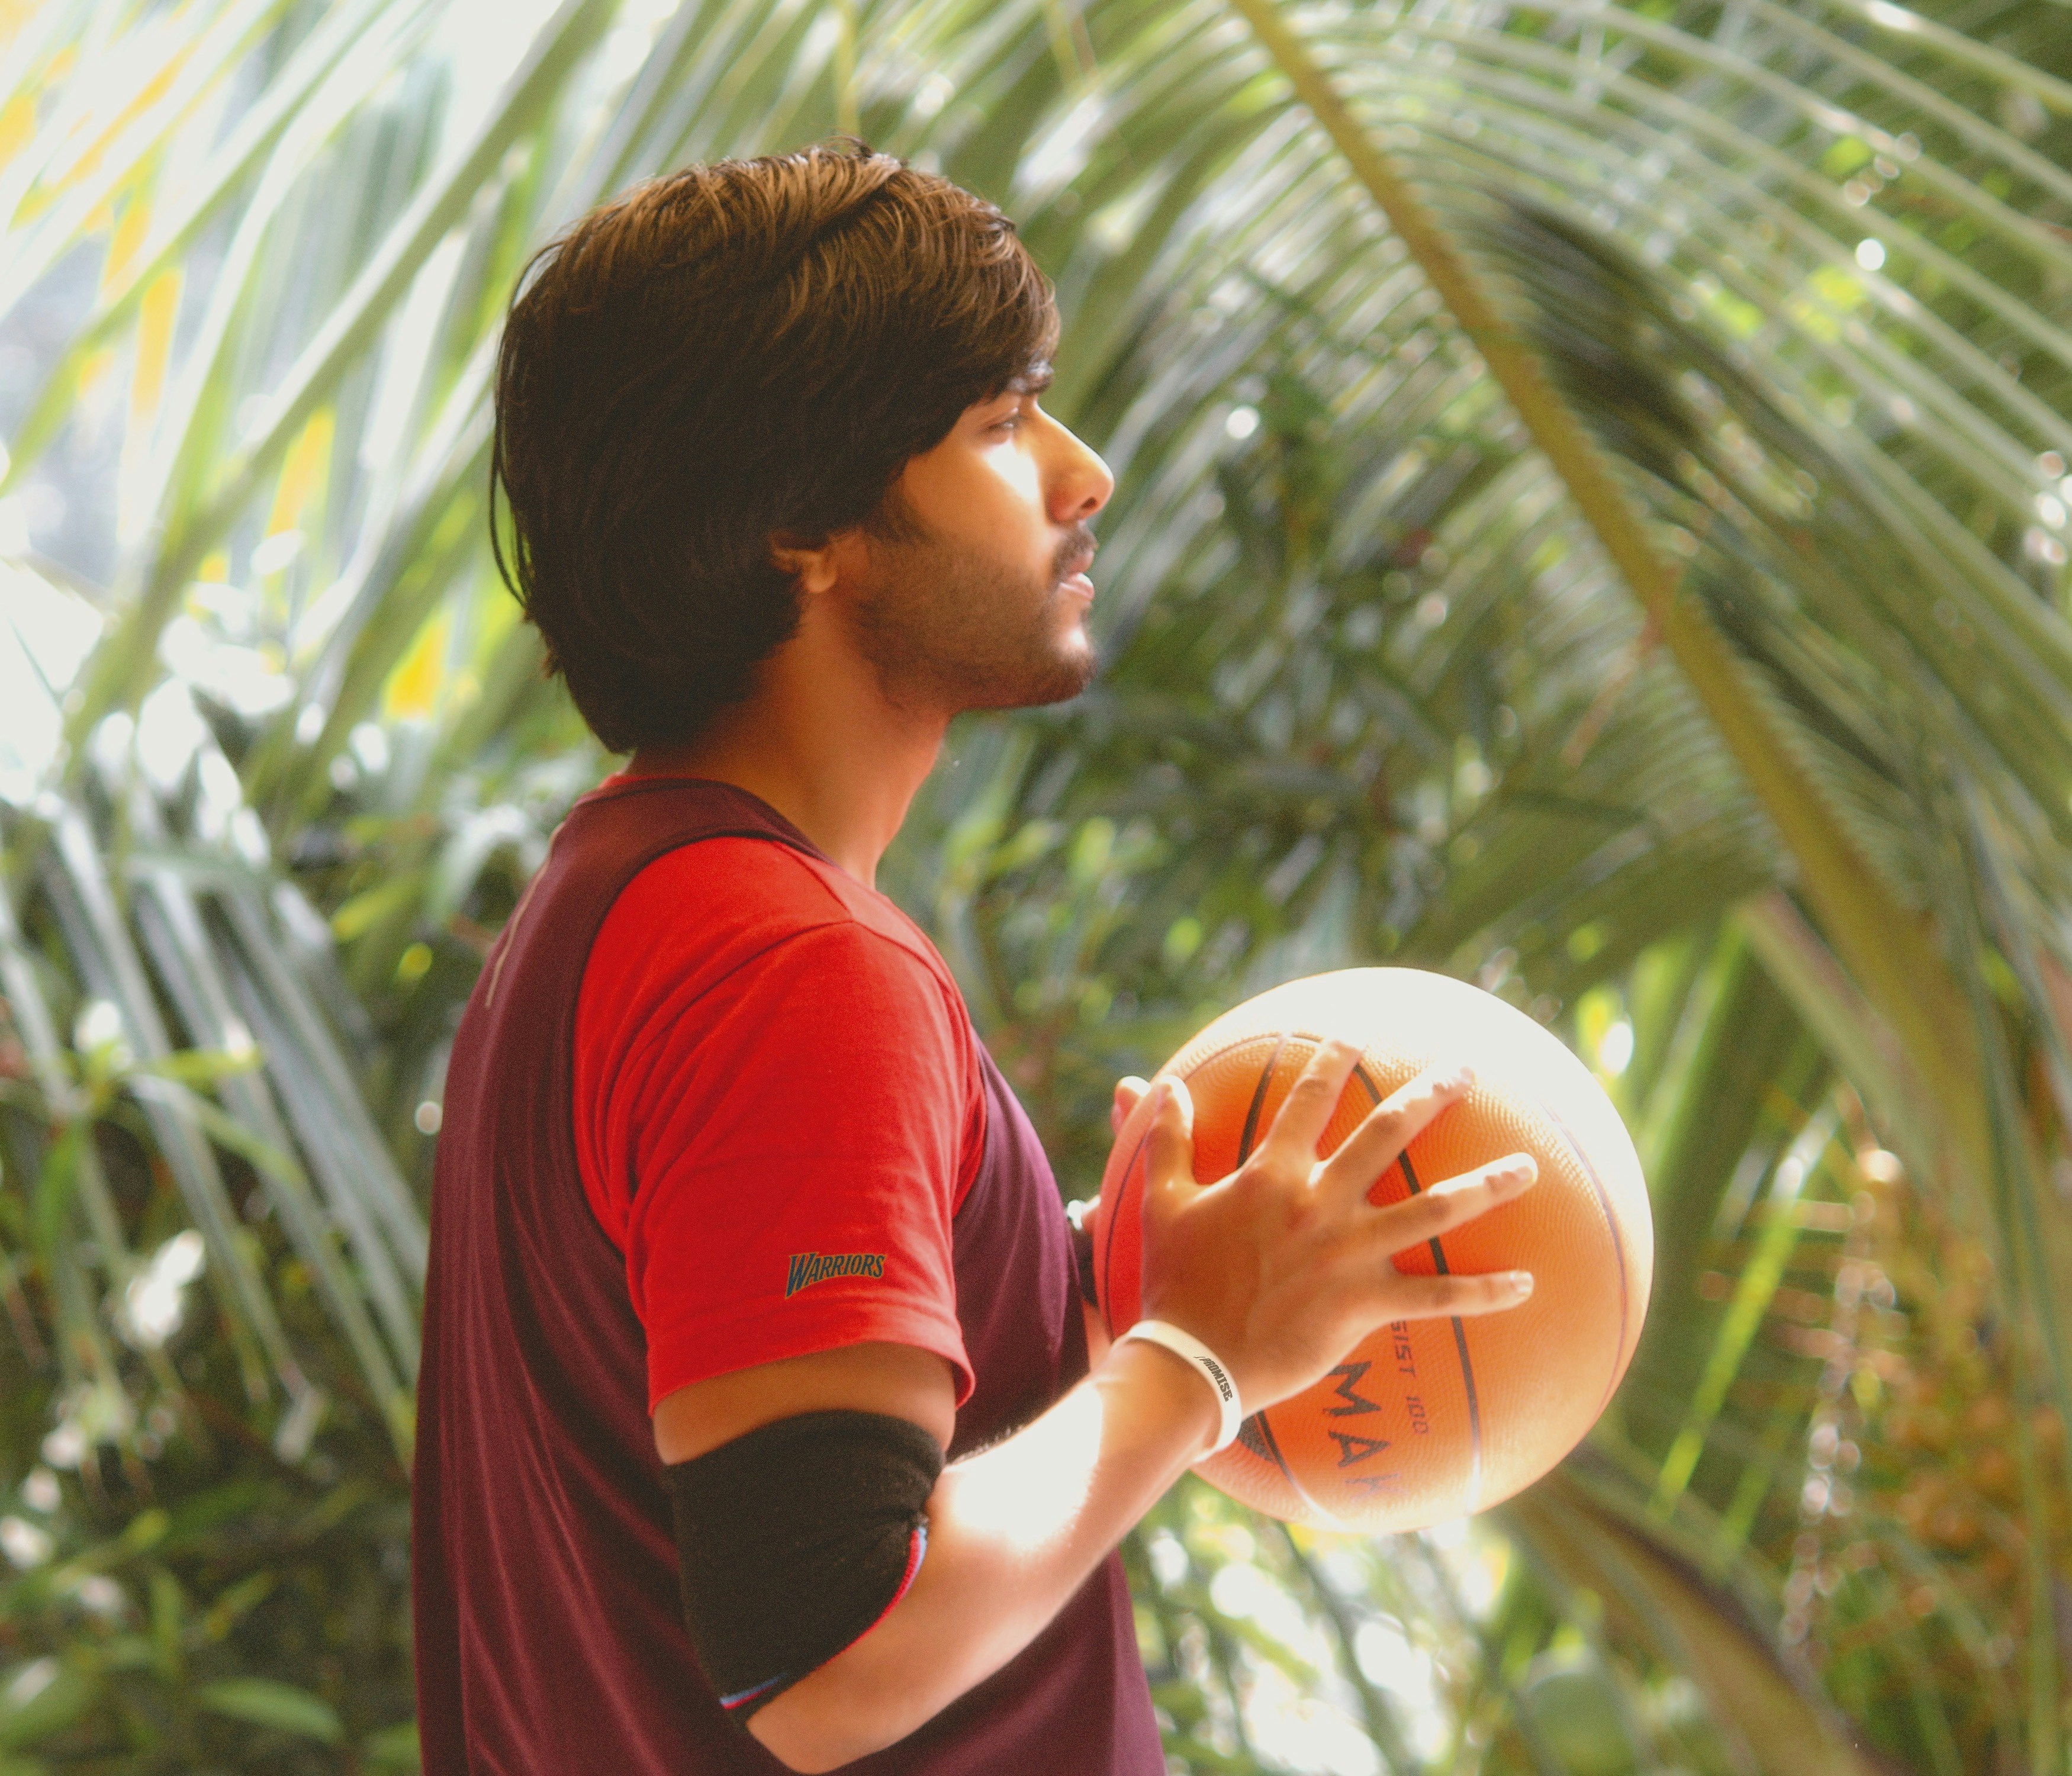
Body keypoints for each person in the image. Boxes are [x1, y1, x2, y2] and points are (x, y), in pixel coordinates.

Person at [411, 143, 1538, 1775]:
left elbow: (735, 1448)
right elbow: (831, 1649)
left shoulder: (613, 907)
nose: (1086, 476)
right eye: (1001, 424)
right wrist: (1196, 1365)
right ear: (802, 524)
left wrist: (1088, 1282)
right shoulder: (789, 968)